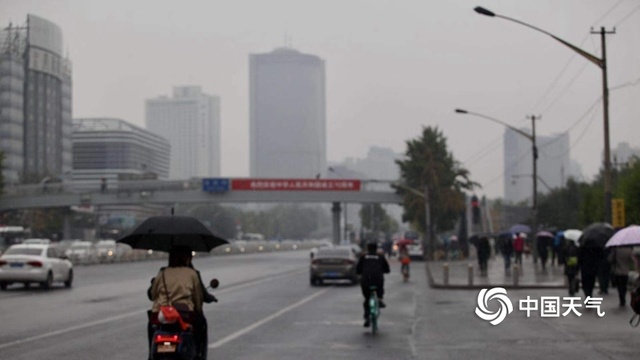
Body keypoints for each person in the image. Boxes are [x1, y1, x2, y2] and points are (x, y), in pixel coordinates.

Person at [147, 245, 214, 360]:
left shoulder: (162, 272)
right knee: (201, 325)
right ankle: (199, 355)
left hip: (161, 315)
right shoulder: (192, 273)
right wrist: (198, 310)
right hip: (184, 315)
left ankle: (150, 355)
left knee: (151, 327)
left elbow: (152, 295)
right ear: (187, 258)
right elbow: (197, 299)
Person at [356, 242, 390, 327]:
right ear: (376, 248)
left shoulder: (363, 257)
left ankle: (367, 316)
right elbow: (387, 269)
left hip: (366, 280)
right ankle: (380, 298)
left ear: (368, 248)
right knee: (380, 287)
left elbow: (358, 269)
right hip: (378, 279)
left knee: (367, 298)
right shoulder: (380, 257)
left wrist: (361, 272)